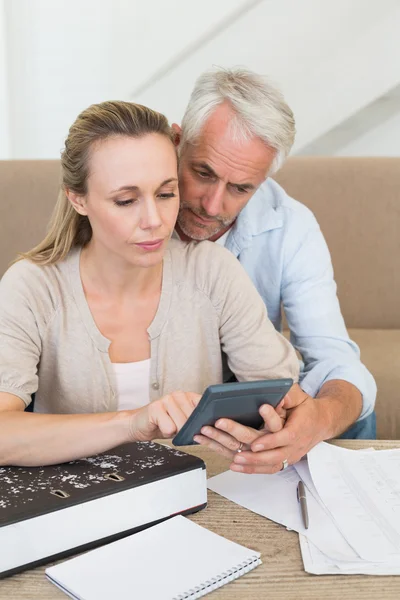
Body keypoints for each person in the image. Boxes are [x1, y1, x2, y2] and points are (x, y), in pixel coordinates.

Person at [0, 100, 299, 468]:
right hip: (75, 508)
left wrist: (273, 430)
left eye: (166, 194)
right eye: (126, 200)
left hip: (199, 499)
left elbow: (282, 395)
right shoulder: (33, 286)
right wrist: (132, 423)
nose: (154, 220)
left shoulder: (212, 271)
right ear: (78, 198)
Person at [171, 67, 377, 474]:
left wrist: (319, 419)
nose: (212, 206)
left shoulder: (292, 226)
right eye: (203, 173)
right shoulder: (127, 203)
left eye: (240, 188)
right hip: (160, 399)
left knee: (349, 408)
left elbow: (332, 354)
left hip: (249, 403)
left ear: (263, 181)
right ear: (177, 142)